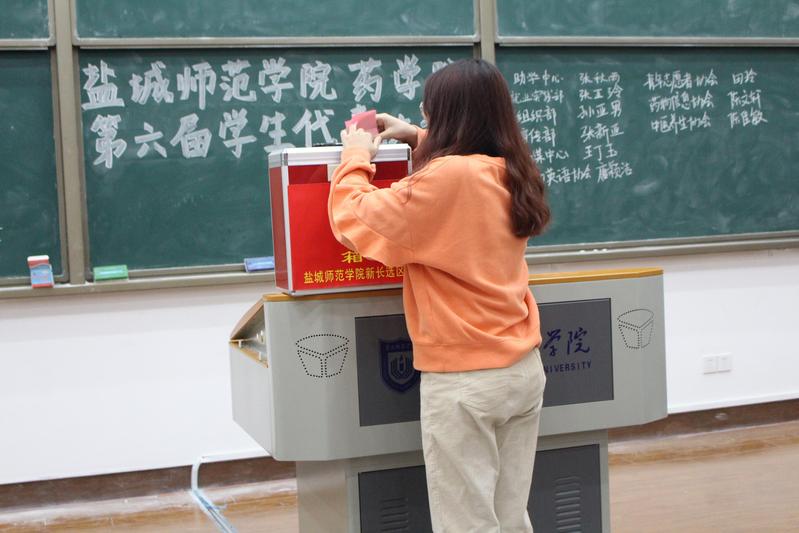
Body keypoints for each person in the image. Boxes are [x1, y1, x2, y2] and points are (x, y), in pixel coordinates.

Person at [328, 58, 550, 532]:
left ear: (449, 115)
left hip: (466, 381)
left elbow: (353, 217)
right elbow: (461, 180)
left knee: (467, 523)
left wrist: (355, 156)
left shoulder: (446, 178)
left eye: (428, 110)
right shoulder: (511, 167)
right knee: (510, 517)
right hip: (521, 370)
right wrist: (416, 137)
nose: (423, 114)